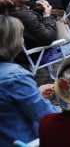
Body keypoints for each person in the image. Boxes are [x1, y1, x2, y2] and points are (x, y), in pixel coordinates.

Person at [0, 16, 61, 146]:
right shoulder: (15, 77)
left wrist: (35, 93)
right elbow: (45, 115)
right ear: (12, 41)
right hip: (24, 141)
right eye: (21, 36)